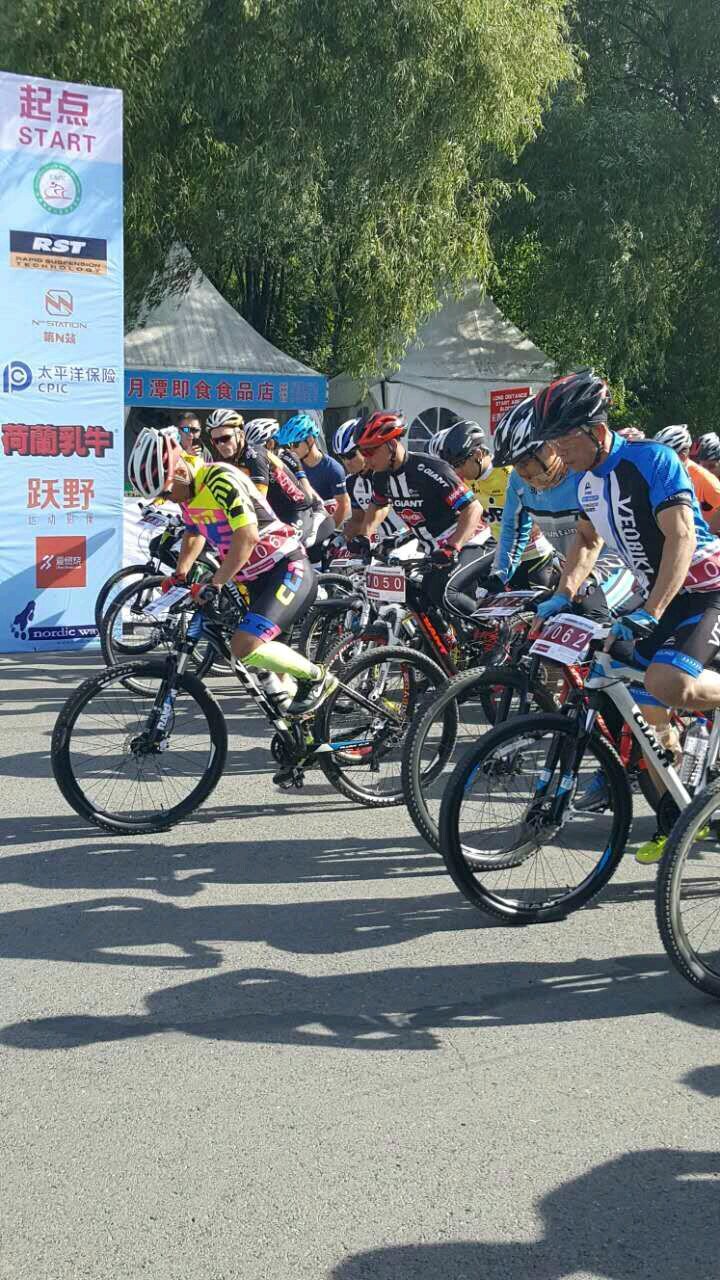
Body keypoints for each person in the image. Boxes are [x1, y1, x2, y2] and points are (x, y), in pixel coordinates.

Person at [530, 370, 720, 861]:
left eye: (564, 441)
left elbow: (681, 537)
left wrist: (651, 609)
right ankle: (682, 815)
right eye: (552, 443)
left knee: (668, 683)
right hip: (659, 596)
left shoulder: (652, 459)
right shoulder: (586, 481)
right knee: (641, 709)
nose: (558, 452)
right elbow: (586, 540)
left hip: (706, 589)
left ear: (596, 430)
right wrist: (563, 593)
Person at [127, 426, 337, 718]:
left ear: (180, 472)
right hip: (254, 581)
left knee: (243, 645)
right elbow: (193, 531)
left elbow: (247, 536)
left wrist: (215, 583)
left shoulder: (219, 479)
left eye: (166, 492)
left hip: (285, 567)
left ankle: (318, 678)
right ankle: (303, 730)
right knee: (271, 671)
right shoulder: (188, 493)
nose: (169, 499)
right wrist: (180, 573)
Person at [490, 397, 635, 610]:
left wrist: (593, 575)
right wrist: (498, 576)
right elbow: (512, 531)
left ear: (551, 445)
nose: (522, 473)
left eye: (525, 462)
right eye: (515, 465)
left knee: (591, 617)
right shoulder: (518, 482)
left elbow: (627, 539)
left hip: (621, 568)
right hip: (577, 572)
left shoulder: (585, 472)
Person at [348, 411, 489, 610]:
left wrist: (453, 546)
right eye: (362, 452)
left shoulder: (430, 468)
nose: (366, 459)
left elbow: (473, 508)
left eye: (370, 451)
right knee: (419, 599)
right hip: (434, 551)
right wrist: (365, 535)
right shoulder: (380, 476)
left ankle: (490, 628)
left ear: (392, 444)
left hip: (471, 542)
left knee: (444, 592)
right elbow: (379, 505)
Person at [429, 415, 556, 590]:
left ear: (478, 454)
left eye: (459, 464)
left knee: (540, 605)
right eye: (453, 466)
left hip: (535, 554)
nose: (457, 471)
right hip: (504, 559)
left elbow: (544, 510)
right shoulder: (467, 481)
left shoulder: (509, 473)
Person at [332, 418, 408, 544]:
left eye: (351, 455)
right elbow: (358, 520)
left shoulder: (389, 472)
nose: (346, 462)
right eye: (341, 457)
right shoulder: (351, 482)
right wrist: (341, 539)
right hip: (382, 544)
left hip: (409, 539)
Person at [274, 413, 351, 528]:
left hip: (324, 524)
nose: (291, 450)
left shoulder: (333, 469)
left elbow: (343, 505)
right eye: (288, 446)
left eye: (295, 444)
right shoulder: (291, 464)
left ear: (310, 440)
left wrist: (328, 532)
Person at [654, 424, 720, 533]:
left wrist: (710, 531)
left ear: (683, 455)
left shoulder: (704, 479)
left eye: (665, 457)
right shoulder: (668, 473)